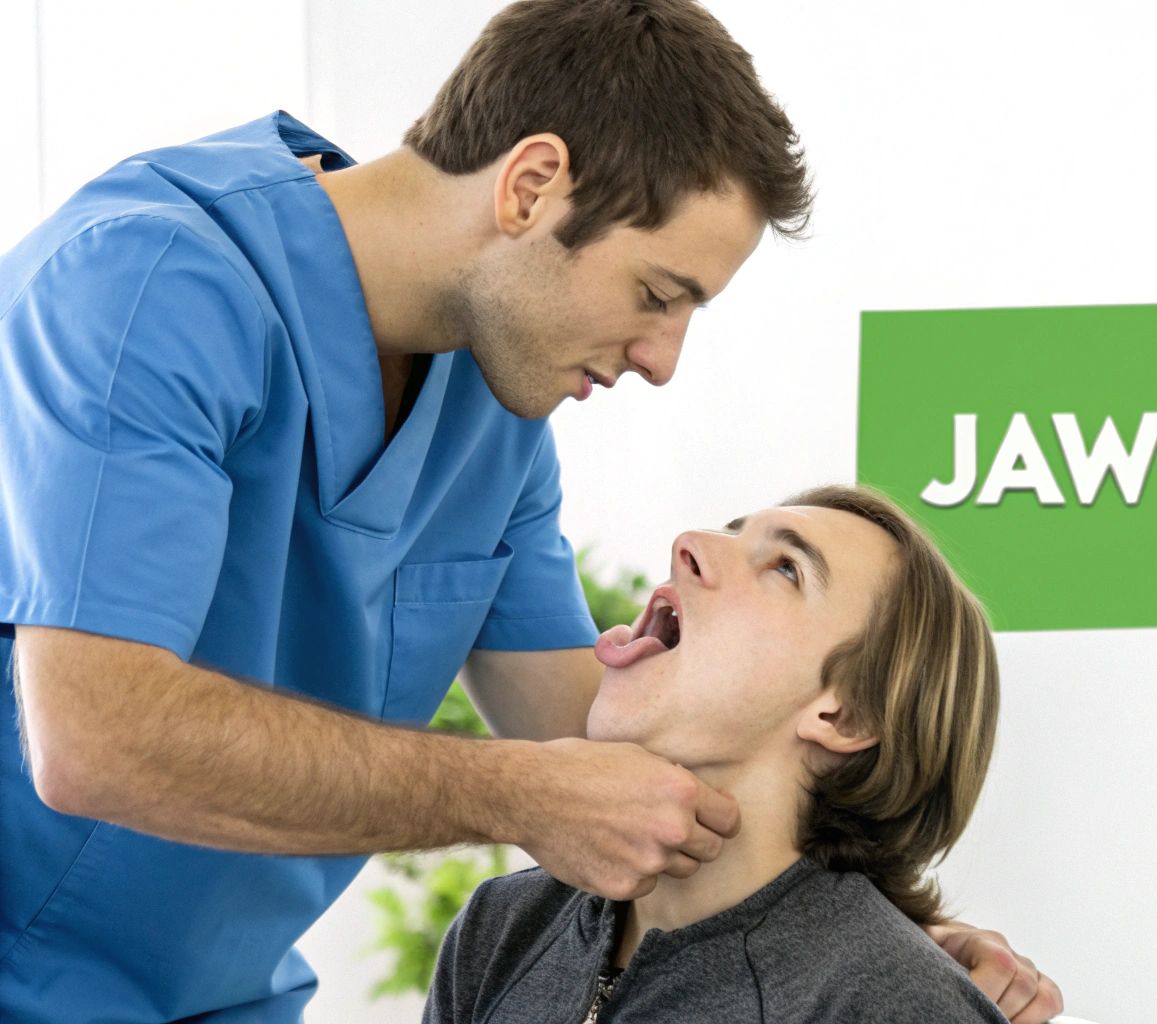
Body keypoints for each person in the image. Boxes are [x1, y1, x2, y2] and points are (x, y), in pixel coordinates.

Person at [0, 2, 1058, 1021]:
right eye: (658, 292)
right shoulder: (147, 288)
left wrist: (894, 943)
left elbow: (620, 742)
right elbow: (95, 732)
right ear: (531, 184)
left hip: (219, 999)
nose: (659, 360)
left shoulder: (492, 418)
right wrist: (514, 794)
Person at [425, 485, 1052, 1023]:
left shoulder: (886, 1003)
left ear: (845, 714)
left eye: (785, 567)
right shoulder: (502, 927)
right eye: (732, 531)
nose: (688, 544)